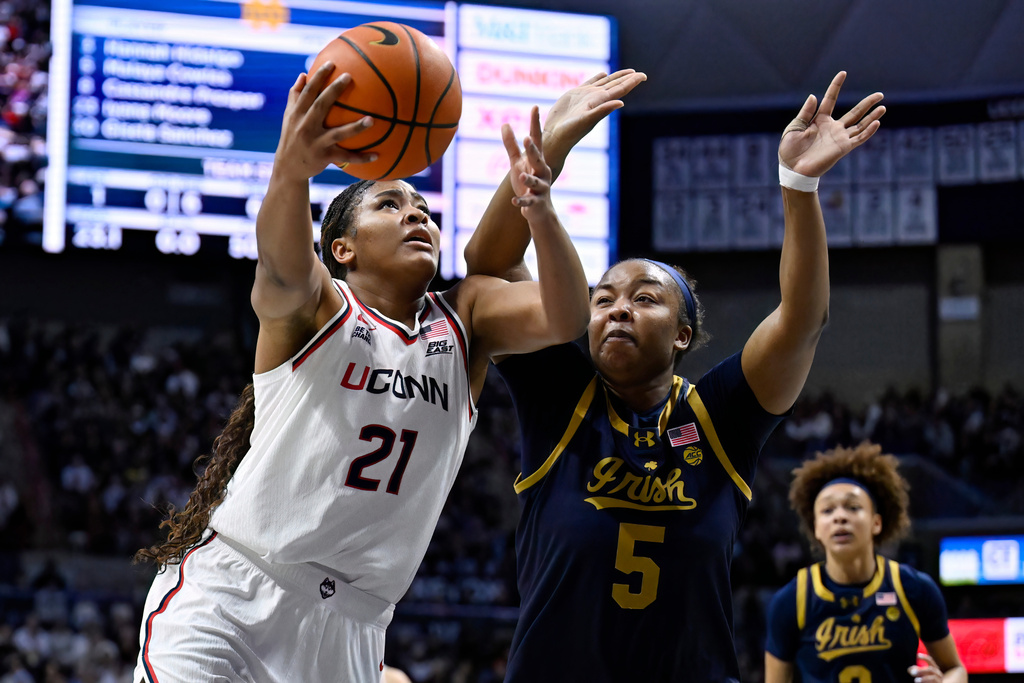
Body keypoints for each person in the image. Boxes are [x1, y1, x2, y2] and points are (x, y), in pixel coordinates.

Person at [130, 60, 610, 682]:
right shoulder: (320, 307)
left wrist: (541, 199)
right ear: (343, 249)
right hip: (234, 600)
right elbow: (279, 264)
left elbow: (565, 315)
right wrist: (290, 170)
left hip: (354, 630)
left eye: (425, 211)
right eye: (391, 204)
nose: (419, 216)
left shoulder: (463, 319)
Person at [463, 71, 885, 681]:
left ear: (682, 333)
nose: (618, 309)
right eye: (602, 299)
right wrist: (548, 147)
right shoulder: (562, 394)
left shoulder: (721, 415)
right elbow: (490, 268)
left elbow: (801, 321)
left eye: (645, 298)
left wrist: (799, 185)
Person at [764, 443, 967, 683]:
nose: (840, 517)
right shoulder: (791, 601)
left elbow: (956, 669)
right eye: (827, 510)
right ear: (816, 528)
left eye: (853, 507)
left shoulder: (914, 588)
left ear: (876, 522)